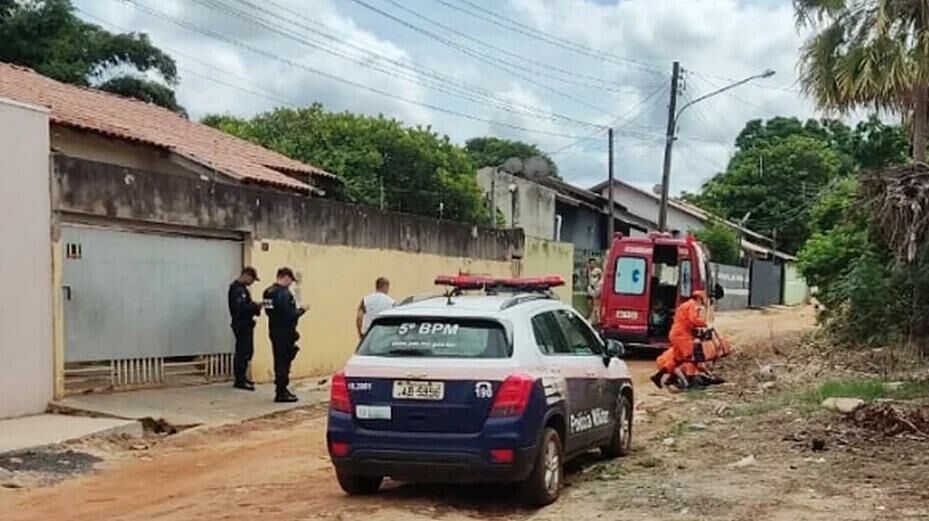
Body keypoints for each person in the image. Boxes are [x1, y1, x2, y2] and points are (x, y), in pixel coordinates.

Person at [263, 267, 307, 403]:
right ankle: (281, 391)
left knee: (278, 360)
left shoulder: (268, 292)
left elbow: (268, 311)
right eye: (290, 280)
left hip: (274, 329)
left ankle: (280, 388)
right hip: (285, 331)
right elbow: (289, 315)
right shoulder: (284, 294)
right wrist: (301, 310)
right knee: (284, 361)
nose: (291, 284)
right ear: (286, 277)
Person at [650, 290, 708, 389]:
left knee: (678, 359)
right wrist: (704, 323)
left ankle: (658, 376)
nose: (701, 303)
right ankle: (690, 381)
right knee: (693, 355)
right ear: (698, 299)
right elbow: (693, 319)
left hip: (674, 333)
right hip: (682, 335)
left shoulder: (684, 305)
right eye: (702, 300)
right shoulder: (692, 305)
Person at [228, 267, 261, 391]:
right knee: (242, 352)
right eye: (252, 279)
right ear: (247, 276)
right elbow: (240, 308)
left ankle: (243, 377)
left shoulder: (242, 289)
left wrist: (255, 307)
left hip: (246, 323)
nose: (252, 282)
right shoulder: (236, 289)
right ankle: (239, 380)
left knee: (247, 351)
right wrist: (254, 306)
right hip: (241, 324)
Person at [586, 258, 603, 325]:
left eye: (593, 263)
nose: (592, 264)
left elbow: (596, 294)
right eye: (591, 263)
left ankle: (594, 322)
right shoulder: (589, 271)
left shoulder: (598, 271)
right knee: (591, 307)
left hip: (596, 291)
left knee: (596, 307)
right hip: (591, 290)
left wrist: (591, 288)